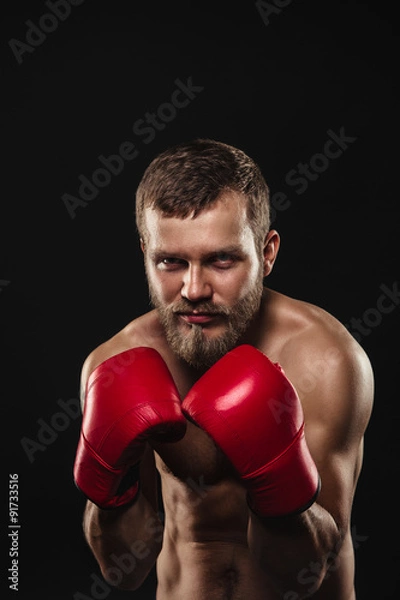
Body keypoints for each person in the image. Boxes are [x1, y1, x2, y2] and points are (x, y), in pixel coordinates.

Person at [73, 138, 374, 599]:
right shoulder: (114, 366)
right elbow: (122, 570)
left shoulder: (325, 359)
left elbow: (307, 574)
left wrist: (281, 480)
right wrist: (109, 490)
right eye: (171, 262)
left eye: (221, 260)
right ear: (145, 255)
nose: (193, 289)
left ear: (267, 254)